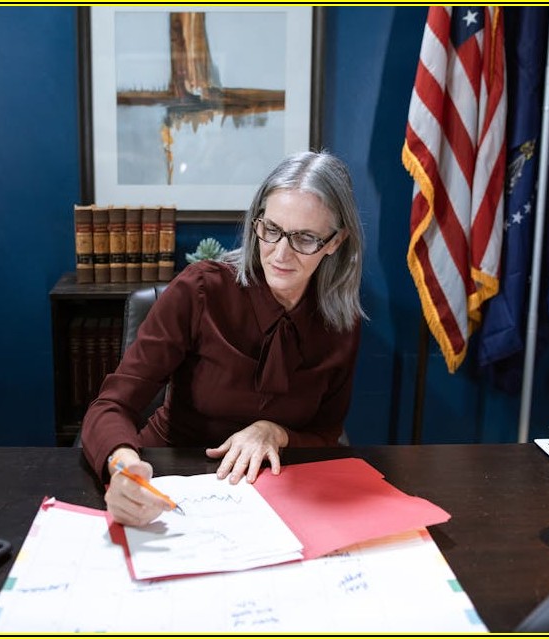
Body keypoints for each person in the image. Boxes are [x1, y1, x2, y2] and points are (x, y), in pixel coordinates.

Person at [81, 150, 367, 526]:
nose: (280, 253)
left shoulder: (340, 322)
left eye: (306, 238)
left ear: (335, 242)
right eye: (271, 230)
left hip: (280, 496)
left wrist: (275, 432)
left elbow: (326, 435)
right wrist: (122, 466)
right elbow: (110, 406)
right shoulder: (201, 290)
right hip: (171, 480)